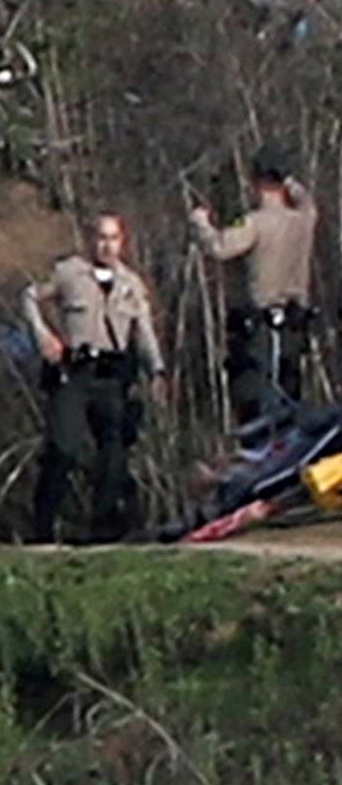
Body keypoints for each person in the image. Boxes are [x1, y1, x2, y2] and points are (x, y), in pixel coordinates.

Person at [21, 213, 167, 543]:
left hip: (112, 377)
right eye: (101, 237)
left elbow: (143, 332)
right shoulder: (69, 272)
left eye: (114, 238)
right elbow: (29, 297)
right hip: (73, 371)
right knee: (63, 448)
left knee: (114, 451)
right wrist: (42, 335)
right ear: (90, 239)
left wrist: (156, 369)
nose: (107, 245)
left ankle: (102, 528)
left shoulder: (131, 285)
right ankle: (42, 526)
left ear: (123, 242)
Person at [192, 144, 318, 424]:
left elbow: (219, 247)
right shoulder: (304, 219)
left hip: (259, 331)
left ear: (257, 181)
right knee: (290, 403)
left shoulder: (254, 223)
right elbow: (306, 200)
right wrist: (288, 179)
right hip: (294, 328)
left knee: (256, 407)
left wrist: (200, 222)